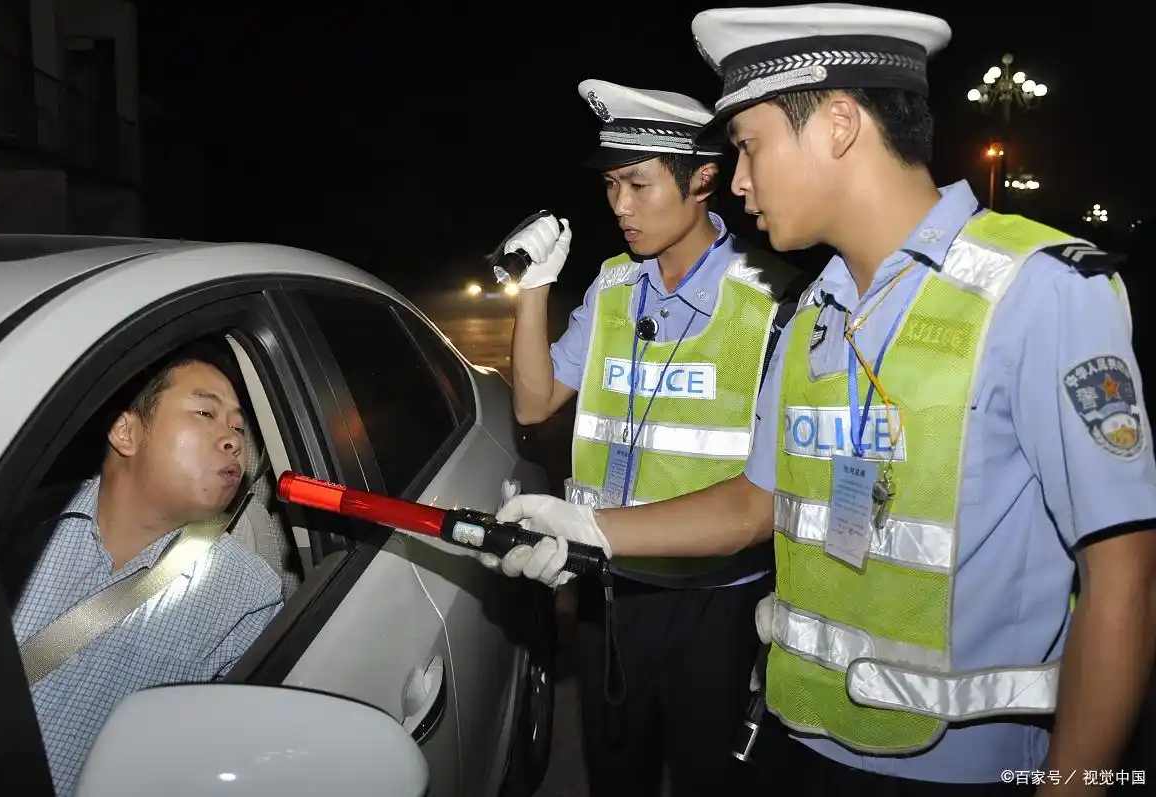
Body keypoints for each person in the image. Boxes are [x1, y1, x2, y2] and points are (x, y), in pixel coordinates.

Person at [490, 5, 1156, 795]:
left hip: (964, 771)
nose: (737, 181)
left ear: (839, 123)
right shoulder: (816, 312)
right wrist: (588, 525)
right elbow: (754, 502)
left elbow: (1124, 576)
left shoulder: (1037, 294)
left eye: (749, 147)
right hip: (795, 741)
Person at [486, 79, 806, 795]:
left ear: (703, 180)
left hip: (717, 606)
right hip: (609, 595)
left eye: (637, 183)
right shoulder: (610, 288)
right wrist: (534, 288)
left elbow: (761, 500)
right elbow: (535, 403)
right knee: (614, 776)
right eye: (610, 186)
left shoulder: (775, 301)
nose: (619, 206)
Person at [12, 342, 284, 796]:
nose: (234, 438)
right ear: (126, 433)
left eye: (238, 426)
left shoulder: (246, 597)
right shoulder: (10, 526)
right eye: (205, 414)